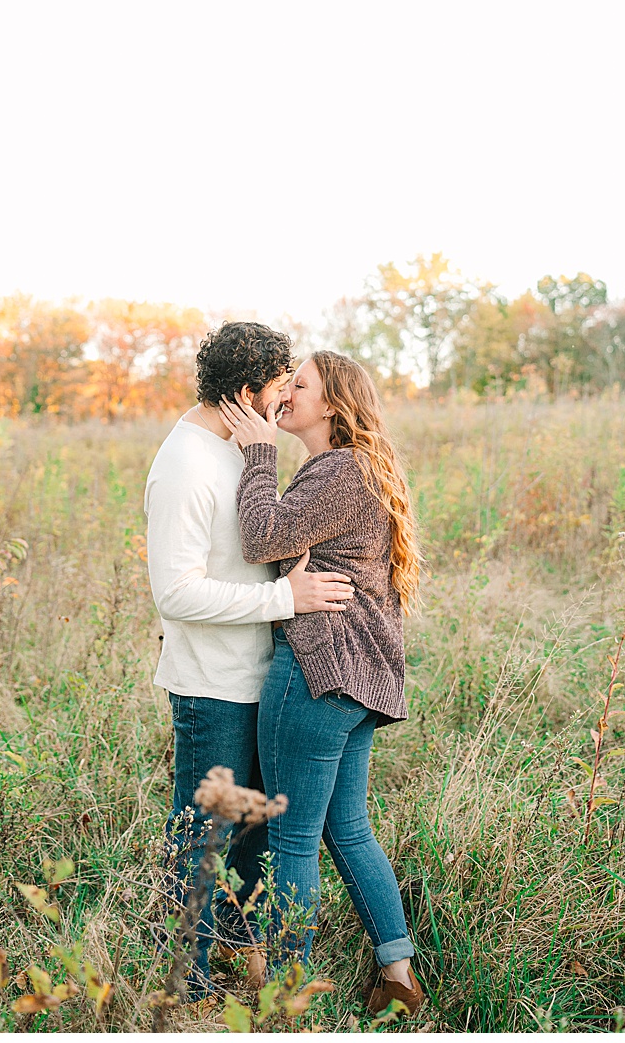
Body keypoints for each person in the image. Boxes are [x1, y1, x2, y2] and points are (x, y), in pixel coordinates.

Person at [145, 321, 355, 1000]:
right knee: (201, 839)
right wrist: (281, 596)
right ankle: (188, 984)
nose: (284, 400)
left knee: (249, 837)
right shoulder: (184, 465)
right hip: (212, 686)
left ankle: (237, 958)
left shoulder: (237, 447)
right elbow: (175, 593)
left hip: (256, 676)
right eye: (276, 389)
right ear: (242, 393)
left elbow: (259, 535)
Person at [219, 350, 427, 1017]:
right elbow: (283, 544)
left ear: (331, 404)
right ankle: (398, 973)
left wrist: (257, 455)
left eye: (298, 385)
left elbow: (260, 537)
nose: (284, 395)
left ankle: (288, 987)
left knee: (293, 839)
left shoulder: (337, 471)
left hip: (315, 673)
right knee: (349, 831)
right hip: (358, 684)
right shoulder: (354, 469)